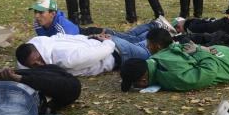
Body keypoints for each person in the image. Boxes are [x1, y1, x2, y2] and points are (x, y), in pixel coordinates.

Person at [120, 28, 229, 92]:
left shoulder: (170, 77)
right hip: (225, 53)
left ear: (143, 79)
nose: (137, 87)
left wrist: (199, 52)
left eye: (135, 84)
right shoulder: (157, 56)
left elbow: (209, 71)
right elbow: (180, 47)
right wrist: (200, 50)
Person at [15, 31, 150, 76]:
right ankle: (161, 28)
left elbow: (97, 53)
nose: (39, 64)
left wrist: (108, 43)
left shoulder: (66, 58)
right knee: (140, 41)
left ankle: (169, 35)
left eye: (37, 60)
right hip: (105, 42)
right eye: (33, 65)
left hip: (116, 52)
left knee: (148, 50)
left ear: (38, 52)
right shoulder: (41, 43)